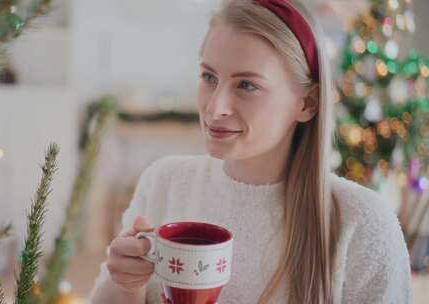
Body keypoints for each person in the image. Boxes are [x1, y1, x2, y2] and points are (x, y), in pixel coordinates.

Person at [89, 0, 413, 303]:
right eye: (209, 77)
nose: (216, 109)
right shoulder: (164, 181)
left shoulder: (361, 223)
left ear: (307, 103)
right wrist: (124, 284)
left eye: (247, 85)